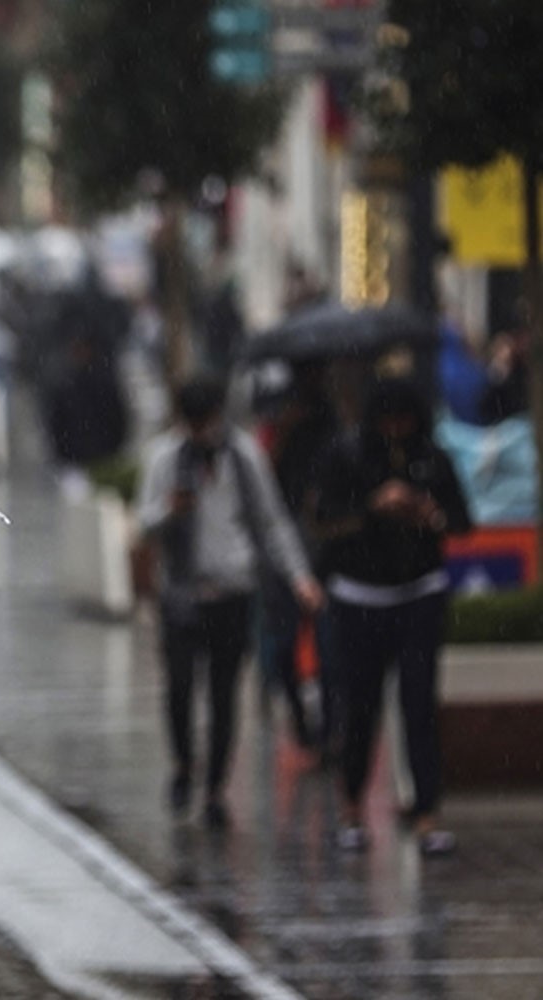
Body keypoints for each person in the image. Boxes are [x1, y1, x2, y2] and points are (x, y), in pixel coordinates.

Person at [138, 378, 323, 830]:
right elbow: (143, 522)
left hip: (233, 593)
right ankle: (184, 765)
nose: (201, 432)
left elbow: (271, 520)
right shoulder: (165, 457)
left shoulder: (244, 457)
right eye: (194, 423)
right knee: (180, 689)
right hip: (182, 593)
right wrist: (169, 510)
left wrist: (300, 577)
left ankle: (216, 788)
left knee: (224, 694)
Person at [311, 379, 471, 856]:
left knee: (419, 705)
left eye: (405, 420)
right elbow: (321, 521)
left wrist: (429, 515)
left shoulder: (433, 458)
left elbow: (462, 520)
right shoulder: (346, 455)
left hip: (420, 594)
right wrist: (373, 508)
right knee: (359, 707)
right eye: (389, 420)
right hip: (360, 597)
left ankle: (427, 813)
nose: (397, 430)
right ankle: (352, 808)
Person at [255, 362, 341, 754]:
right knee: (285, 642)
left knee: (327, 645)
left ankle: (328, 730)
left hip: (323, 550)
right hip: (284, 550)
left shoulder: (334, 425)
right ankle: (302, 722)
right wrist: (284, 431)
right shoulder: (280, 423)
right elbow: (263, 483)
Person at [46, 332, 129, 495]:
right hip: (78, 461)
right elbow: (56, 422)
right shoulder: (66, 385)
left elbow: (118, 418)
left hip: (100, 460)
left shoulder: (102, 384)